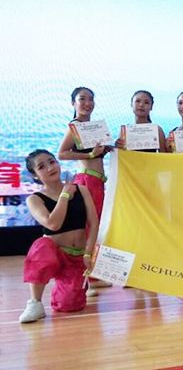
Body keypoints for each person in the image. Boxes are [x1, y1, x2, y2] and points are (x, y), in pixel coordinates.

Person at [19, 150, 99, 323]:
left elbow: (93, 223)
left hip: (77, 256)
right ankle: (35, 302)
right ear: (35, 175)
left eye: (52, 161)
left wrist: (88, 253)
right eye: (42, 167)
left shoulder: (81, 190)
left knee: (68, 305)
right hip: (54, 253)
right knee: (41, 245)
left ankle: (71, 285)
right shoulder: (34, 199)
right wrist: (64, 195)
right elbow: (53, 224)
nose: (50, 168)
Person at [58, 87, 111, 296]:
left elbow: (96, 153)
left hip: (96, 181)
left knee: (95, 227)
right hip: (86, 180)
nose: (87, 103)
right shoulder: (75, 127)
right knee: (89, 228)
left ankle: (93, 275)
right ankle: (84, 278)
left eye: (91, 99)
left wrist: (107, 149)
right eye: (82, 99)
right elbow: (62, 153)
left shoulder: (93, 128)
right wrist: (90, 155)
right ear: (73, 103)